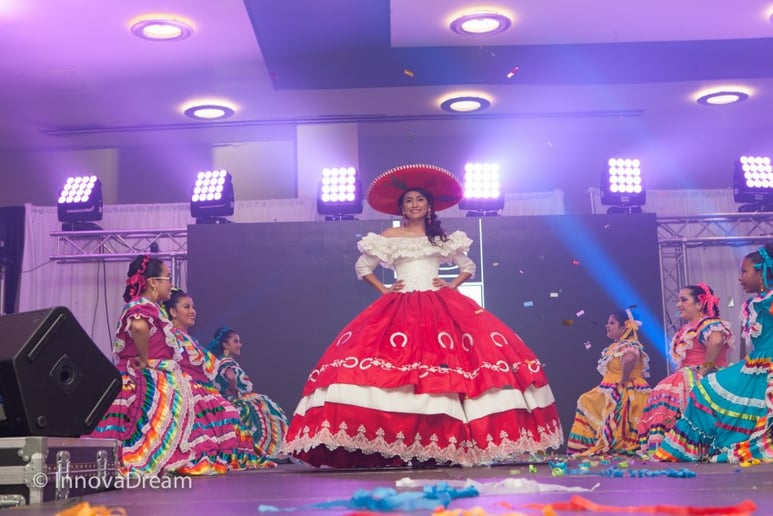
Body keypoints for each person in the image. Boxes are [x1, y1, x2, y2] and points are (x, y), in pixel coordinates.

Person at [281, 163, 563, 468]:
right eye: (408, 201)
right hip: (400, 308)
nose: (414, 205)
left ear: (429, 205)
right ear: (402, 207)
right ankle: (407, 443)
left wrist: (451, 284)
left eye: (419, 200)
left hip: (439, 307)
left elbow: (468, 266)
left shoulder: (441, 237)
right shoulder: (390, 235)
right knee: (399, 370)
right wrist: (386, 291)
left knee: (447, 369)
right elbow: (363, 267)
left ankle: (446, 443)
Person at [89, 255, 219, 475]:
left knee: (151, 428)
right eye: (167, 278)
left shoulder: (151, 307)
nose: (171, 283)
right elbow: (139, 327)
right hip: (143, 379)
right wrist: (144, 356)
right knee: (141, 430)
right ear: (153, 283)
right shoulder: (141, 305)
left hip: (154, 376)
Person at [654, 244, 773, 462]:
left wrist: (707, 366)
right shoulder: (751, 304)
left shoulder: (769, 302)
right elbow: (750, 346)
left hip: (768, 366)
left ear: (762, 271)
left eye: (745, 271)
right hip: (755, 364)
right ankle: (695, 448)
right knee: (706, 391)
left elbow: (717, 340)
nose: (740, 278)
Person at [163, 289, 266, 470]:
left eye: (193, 307)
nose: (193, 311)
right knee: (226, 412)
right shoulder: (170, 336)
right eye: (186, 307)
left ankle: (225, 455)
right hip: (183, 387)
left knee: (230, 412)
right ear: (173, 312)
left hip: (202, 388)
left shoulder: (190, 339)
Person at [637, 283, 733, 454]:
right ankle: (677, 446)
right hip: (689, 373)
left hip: (702, 374)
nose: (678, 304)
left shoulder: (707, 323)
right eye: (677, 300)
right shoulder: (689, 327)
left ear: (699, 304)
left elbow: (716, 341)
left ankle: (683, 446)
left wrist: (704, 370)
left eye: (683, 300)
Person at [566, 310, 651, 456]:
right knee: (585, 400)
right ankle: (590, 445)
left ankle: (598, 445)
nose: (607, 326)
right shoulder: (616, 346)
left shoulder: (629, 344)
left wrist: (624, 379)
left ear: (624, 326)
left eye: (612, 323)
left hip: (624, 391)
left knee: (586, 401)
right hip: (611, 390)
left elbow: (630, 358)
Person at [207, 327, 289, 462]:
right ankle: (269, 450)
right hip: (233, 398)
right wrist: (234, 392)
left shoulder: (217, 362)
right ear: (225, 345)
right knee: (267, 409)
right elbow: (231, 377)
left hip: (222, 399)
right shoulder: (227, 361)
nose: (240, 344)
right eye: (235, 341)